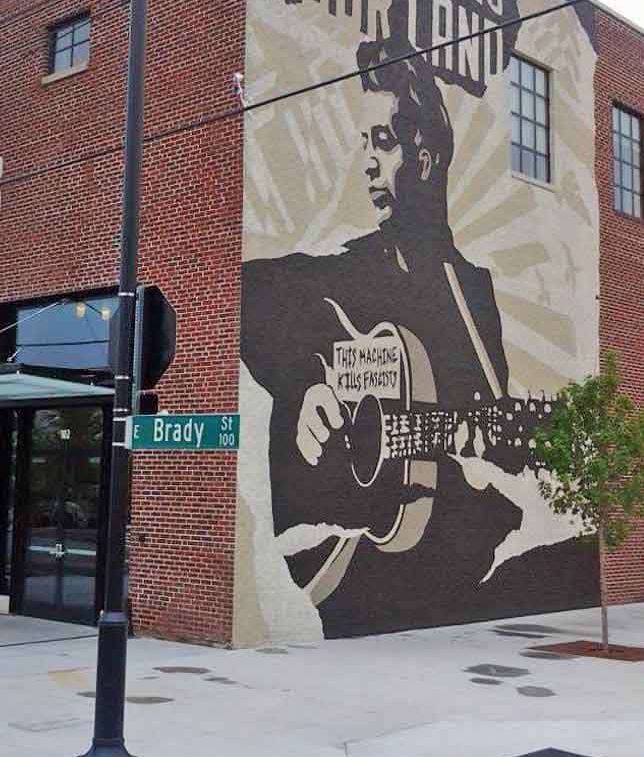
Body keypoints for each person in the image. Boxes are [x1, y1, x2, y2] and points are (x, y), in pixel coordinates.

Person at [241, 35, 598, 635]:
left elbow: (488, 436)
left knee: (580, 556)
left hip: (436, 553)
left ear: (426, 154)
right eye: (365, 145)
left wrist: (491, 450)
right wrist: (305, 381)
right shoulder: (347, 272)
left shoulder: (472, 293)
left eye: (383, 143)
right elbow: (247, 291)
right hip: (352, 557)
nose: (369, 163)